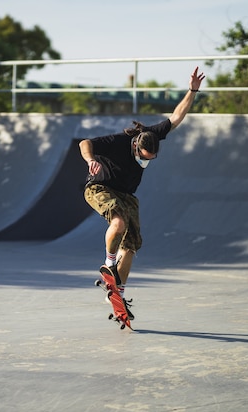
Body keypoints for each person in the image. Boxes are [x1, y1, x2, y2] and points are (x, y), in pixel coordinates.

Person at [79, 66, 205, 320]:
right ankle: (109, 264)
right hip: (100, 187)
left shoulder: (153, 134)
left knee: (133, 245)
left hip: (127, 194)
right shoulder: (118, 141)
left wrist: (192, 90)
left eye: (151, 159)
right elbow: (85, 143)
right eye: (143, 158)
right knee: (119, 221)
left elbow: (177, 116)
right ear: (136, 146)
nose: (145, 162)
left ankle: (117, 291)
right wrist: (90, 160)